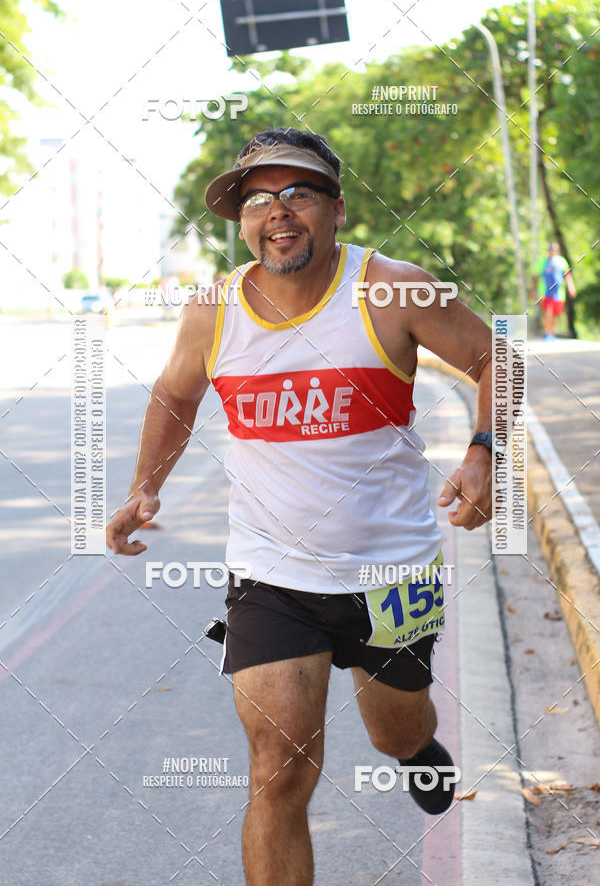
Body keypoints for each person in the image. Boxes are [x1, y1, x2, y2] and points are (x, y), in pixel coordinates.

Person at [106, 128, 493, 886]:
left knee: (396, 728)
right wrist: (143, 486)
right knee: (279, 768)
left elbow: (494, 357)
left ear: (337, 210)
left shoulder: (392, 289)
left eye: (299, 193)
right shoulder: (213, 310)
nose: (277, 212)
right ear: (242, 223)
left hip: (394, 571)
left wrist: (483, 451)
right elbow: (176, 394)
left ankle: (415, 752)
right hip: (272, 573)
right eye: (257, 199)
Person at [531, 241, 576, 340]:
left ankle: (552, 333)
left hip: (559, 293)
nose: (552, 251)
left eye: (554, 249)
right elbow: (536, 277)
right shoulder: (542, 262)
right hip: (545, 292)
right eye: (550, 249)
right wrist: (533, 291)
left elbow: (568, 275)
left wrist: (571, 287)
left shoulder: (561, 261)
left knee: (556, 313)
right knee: (548, 311)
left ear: (557, 251)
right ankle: (547, 333)